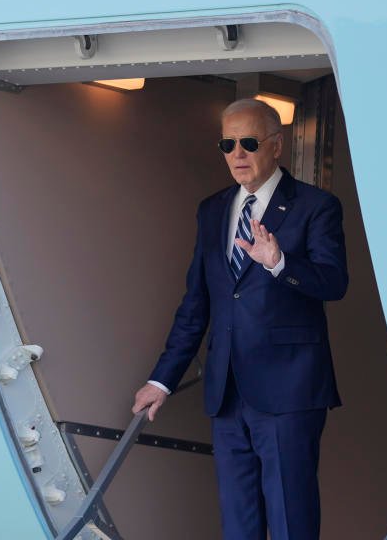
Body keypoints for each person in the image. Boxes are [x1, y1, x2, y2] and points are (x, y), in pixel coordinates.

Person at [132, 98, 347, 540]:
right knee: (238, 521)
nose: (238, 154)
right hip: (227, 393)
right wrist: (162, 380)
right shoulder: (212, 209)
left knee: (291, 518)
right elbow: (198, 302)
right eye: (227, 144)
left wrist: (280, 262)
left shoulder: (315, 206)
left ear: (276, 146)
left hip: (289, 391)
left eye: (249, 142)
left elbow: (333, 283)